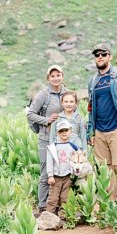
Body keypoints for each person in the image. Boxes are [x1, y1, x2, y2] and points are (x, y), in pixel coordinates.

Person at [86, 43, 117, 203]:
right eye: (97, 54)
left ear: (110, 56)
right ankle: (112, 204)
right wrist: (91, 131)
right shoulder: (92, 82)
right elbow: (90, 108)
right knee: (105, 170)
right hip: (100, 131)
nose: (100, 57)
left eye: (103, 54)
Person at [26, 64, 66, 215]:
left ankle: (59, 205)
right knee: (45, 172)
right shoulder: (43, 95)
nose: (56, 78)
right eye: (52, 76)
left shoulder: (67, 93)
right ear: (48, 78)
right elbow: (30, 114)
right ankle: (43, 206)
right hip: (45, 138)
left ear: (62, 76)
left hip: (62, 140)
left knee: (63, 172)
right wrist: (47, 120)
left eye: (58, 75)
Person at [45, 119, 78, 218]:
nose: (64, 133)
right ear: (57, 133)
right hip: (56, 176)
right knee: (53, 197)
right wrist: (50, 175)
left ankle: (63, 216)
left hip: (67, 176)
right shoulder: (53, 147)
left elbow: (78, 159)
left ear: (70, 131)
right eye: (61, 131)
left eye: (66, 130)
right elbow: (49, 162)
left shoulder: (73, 147)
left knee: (65, 197)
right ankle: (49, 216)